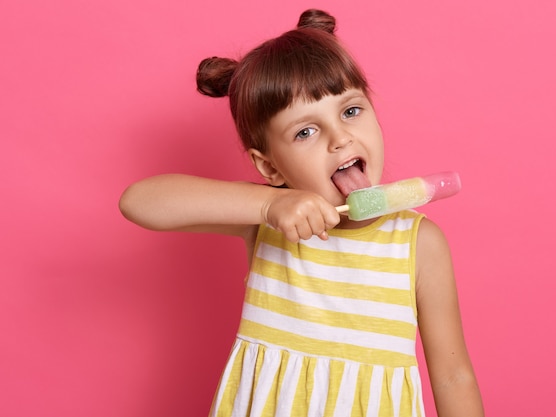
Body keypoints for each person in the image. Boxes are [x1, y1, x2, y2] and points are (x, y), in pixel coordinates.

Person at [119, 9, 484, 417]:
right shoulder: (268, 221)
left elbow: (453, 375)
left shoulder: (419, 243)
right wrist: (268, 205)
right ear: (271, 167)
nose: (340, 138)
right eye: (305, 132)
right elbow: (138, 201)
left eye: (350, 111)